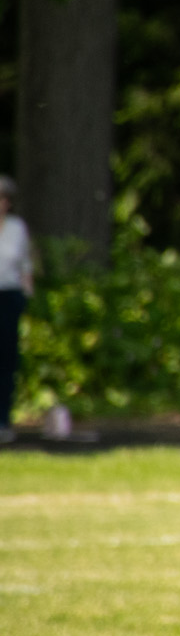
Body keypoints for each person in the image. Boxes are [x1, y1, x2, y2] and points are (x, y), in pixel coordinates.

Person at [0, 177, 32, 445]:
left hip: (9, 296)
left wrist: (26, 296)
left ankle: (3, 419)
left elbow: (25, 265)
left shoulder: (16, 228)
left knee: (7, 359)